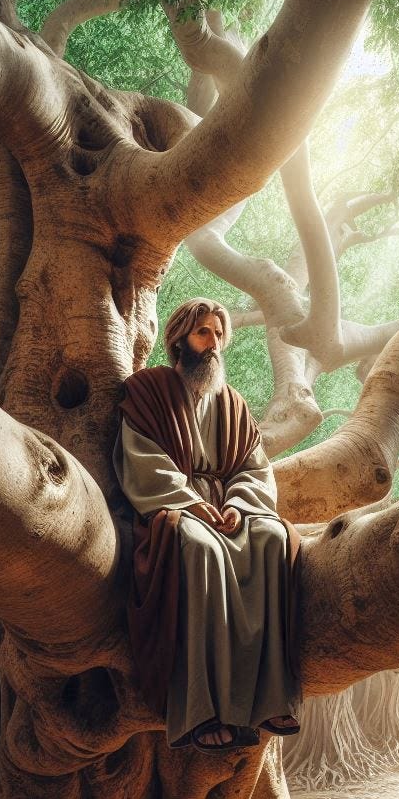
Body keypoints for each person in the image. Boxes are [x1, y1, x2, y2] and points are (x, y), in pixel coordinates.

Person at [115, 298, 301, 752]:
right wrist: (192, 505)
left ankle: (269, 698)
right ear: (180, 339)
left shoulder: (233, 404)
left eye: (219, 335)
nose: (213, 343)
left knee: (274, 537)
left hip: (231, 510)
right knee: (199, 548)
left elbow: (254, 470)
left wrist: (240, 504)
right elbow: (143, 460)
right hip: (175, 509)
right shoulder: (148, 389)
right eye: (204, 333)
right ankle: (203, 710)